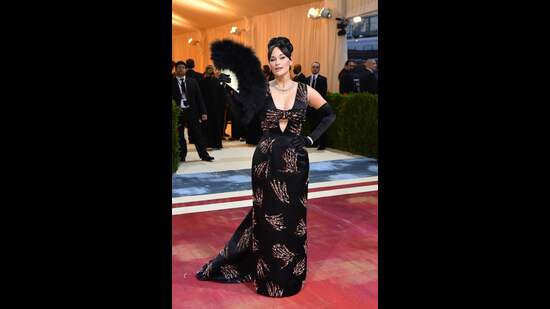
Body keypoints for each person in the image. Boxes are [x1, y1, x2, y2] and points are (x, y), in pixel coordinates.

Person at [196, 37, 336, 298]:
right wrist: (228, 92)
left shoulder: (306, 91)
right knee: (265, 220)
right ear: (268, 63)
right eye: (272, 58)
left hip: (295, 164)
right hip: (265, 161)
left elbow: (329, 114)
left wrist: (309, 139)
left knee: (294, 220)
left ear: (290, 60)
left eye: (282, 57)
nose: (277, 62)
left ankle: (290, 280)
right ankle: (267, 278)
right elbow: (244, 118)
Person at [172, 61, 214, 162]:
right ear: (175, 69)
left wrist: (203, 112)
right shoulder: (172, 82)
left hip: (192, 112)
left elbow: (199, 98)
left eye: (183, 67)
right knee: (180, 136)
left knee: (197, 134)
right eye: (179, 67)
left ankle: (204, 155)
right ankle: (181, 156)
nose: (181, 69)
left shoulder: (192, 82)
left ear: (186, 69)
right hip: (178, 112)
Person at [199, 65, 226, 149]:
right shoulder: (217, 82)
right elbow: (222, 96)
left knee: (206, 126)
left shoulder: (202, 82)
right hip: (216, 108)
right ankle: (217, 144)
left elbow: (200, 96)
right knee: (216, 125)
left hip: (206, 107)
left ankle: (207, 143)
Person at [306, 62, 328, 150]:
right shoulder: (307, 79)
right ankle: (314, 143)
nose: (315, 68)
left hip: (319, 106)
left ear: (319, 69)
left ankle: (322, 144)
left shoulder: (323, 79)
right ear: (311, 68)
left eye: (317, 67)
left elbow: (323, 93)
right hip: (309, 107)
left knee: (320, 125)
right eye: (313, 67)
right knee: (312, 125)